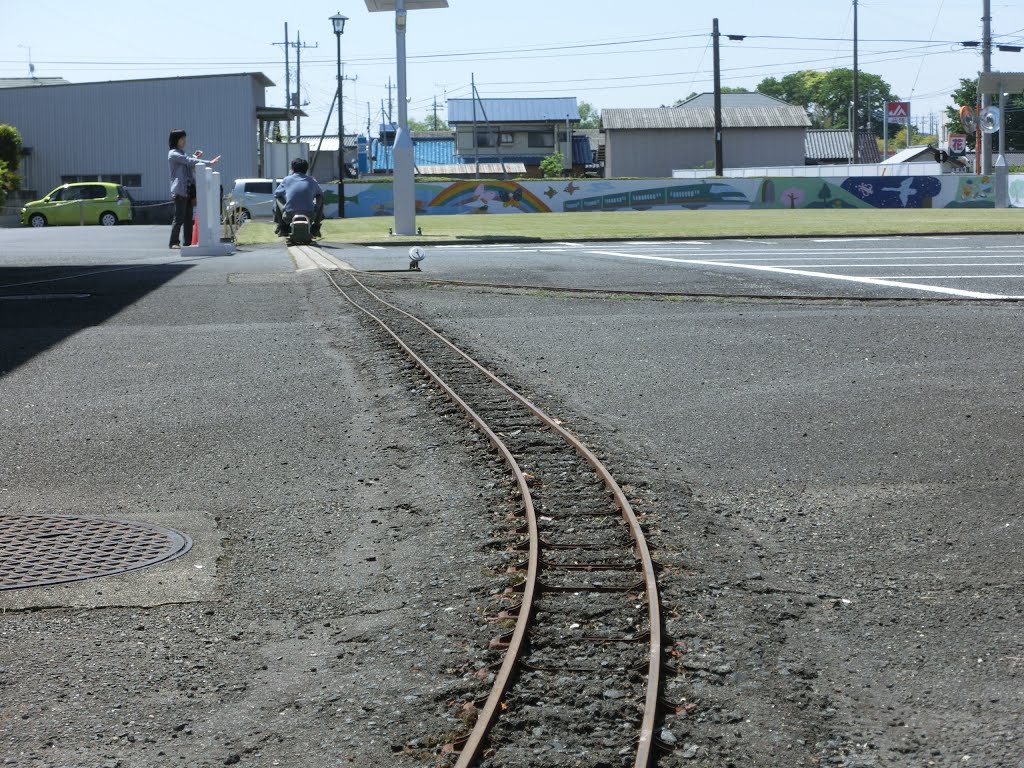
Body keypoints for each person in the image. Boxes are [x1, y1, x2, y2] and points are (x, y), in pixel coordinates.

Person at [167, 129, 220, 249]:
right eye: (182, 139)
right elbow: (188, 161)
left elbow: (188, 163)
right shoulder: (173, 153)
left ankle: (188, 242)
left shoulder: (180, 153)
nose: (184, 141)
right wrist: (208, 162)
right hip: (180, 190)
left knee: (188, 219)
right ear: (176, 140)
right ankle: (174, 242)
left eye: (184, 138)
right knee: (179, 218)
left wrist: (195, 157)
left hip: (188, 190)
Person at [274, 158, 324, 238]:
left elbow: (277, 194)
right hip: (310, 215)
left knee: (277, 197)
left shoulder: (287, 180)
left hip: (289, 215)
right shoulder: (311, 181)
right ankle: (316, 227)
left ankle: (282, 228)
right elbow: (320, 193)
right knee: (320, 197)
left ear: (292, 168)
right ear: (306, 169)